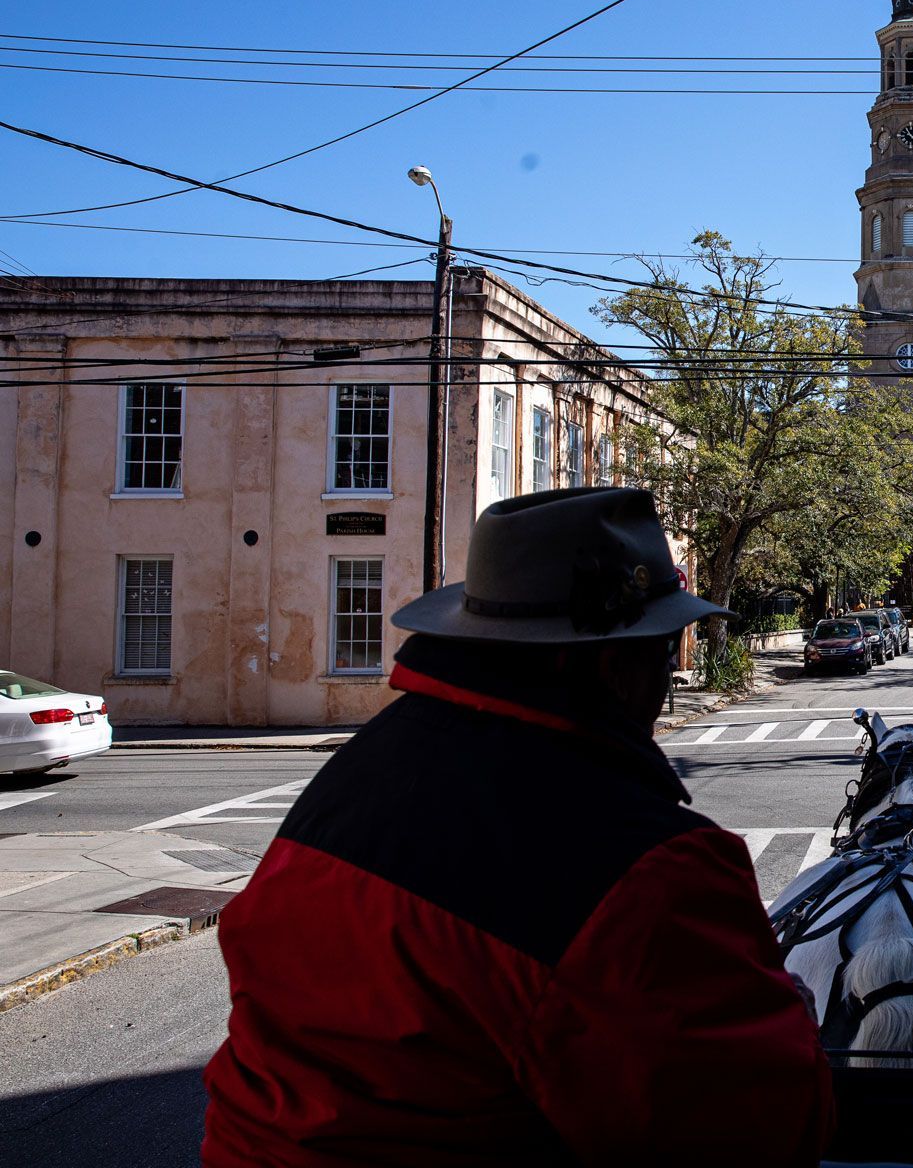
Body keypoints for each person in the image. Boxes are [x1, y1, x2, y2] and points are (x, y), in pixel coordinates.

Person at [202, 488, 832, 1166]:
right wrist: (794, 1005)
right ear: (611, 664)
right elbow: (765, 1128)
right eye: (662, 651)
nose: (669, 677)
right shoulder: (644, 870)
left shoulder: (355, 773)